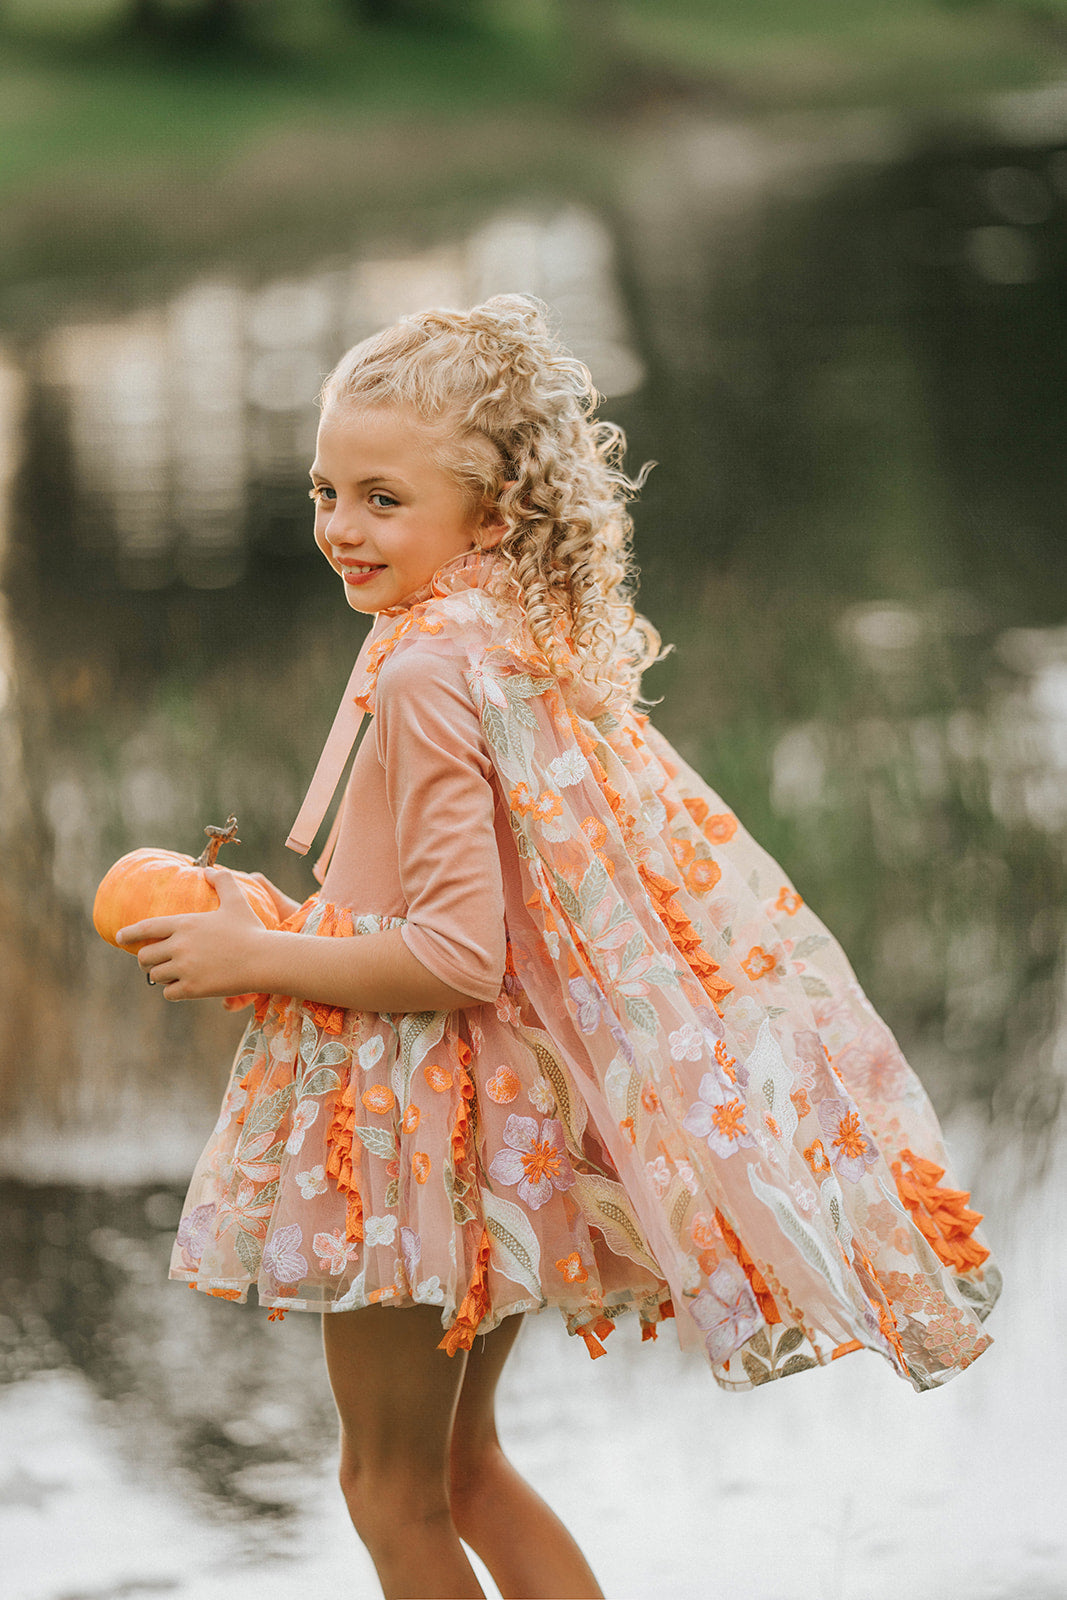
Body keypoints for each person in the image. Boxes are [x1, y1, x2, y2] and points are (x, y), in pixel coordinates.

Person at [116, 294, 1001, 1600]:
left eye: (381, 499)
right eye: (326, 491)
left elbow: (457, 957)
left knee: (388, 1490)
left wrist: (260, 963)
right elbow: (437, 907)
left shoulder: (427, 671)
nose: (340, 529)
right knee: (465, 1471)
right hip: (488, 1124)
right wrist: (273, 914)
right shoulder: (496, 635)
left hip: (413, 1127)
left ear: (488, 514)